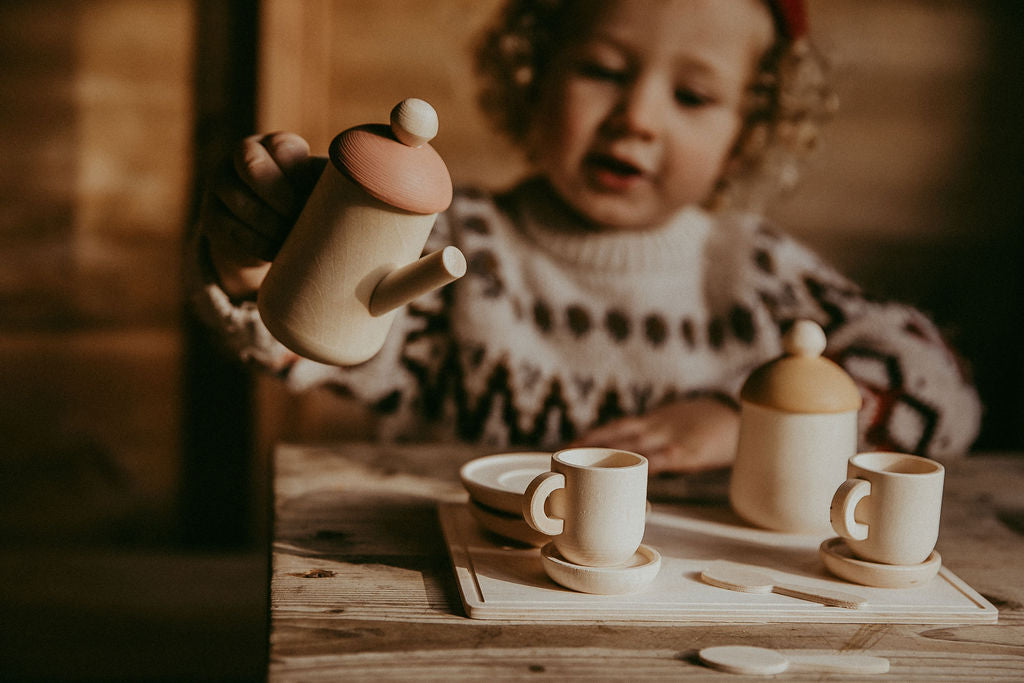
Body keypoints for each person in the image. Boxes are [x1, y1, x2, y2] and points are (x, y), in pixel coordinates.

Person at [188, 0, 981, 474]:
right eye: (602, 69)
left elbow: (941, 385)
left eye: (693, 95)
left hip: (699, 608)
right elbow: (314, 333)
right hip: (462, 592)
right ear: (531, 73)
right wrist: (250, 261)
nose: (637, 116)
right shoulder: (461, 245)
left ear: (750, 129)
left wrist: (752, 417)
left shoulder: (760, 274)